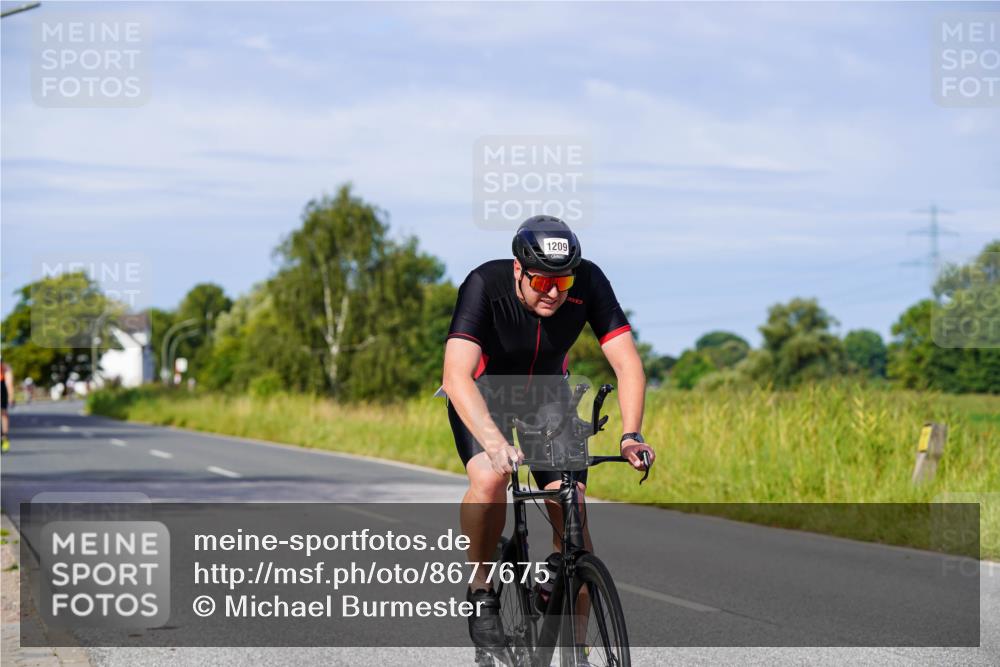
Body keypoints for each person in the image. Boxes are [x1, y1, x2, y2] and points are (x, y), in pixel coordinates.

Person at [441, 215, 655, 652]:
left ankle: (576, 650)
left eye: (564, 281)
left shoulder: (589, 282)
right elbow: (455, 375)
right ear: (519, 270)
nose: (555, 293)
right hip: (484, 394)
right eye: (542, 282)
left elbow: (628, 363)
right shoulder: (485, 283)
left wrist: (631, 433)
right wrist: (496, 444)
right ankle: (482, 589)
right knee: (490, 479)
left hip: (547, 397)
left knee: (573, 510)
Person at [1, 358, 13, 452]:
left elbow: (9, 384)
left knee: (4, 413)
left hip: (2, 390)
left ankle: (5, 437)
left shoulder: (6, 369)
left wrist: (11, 397)